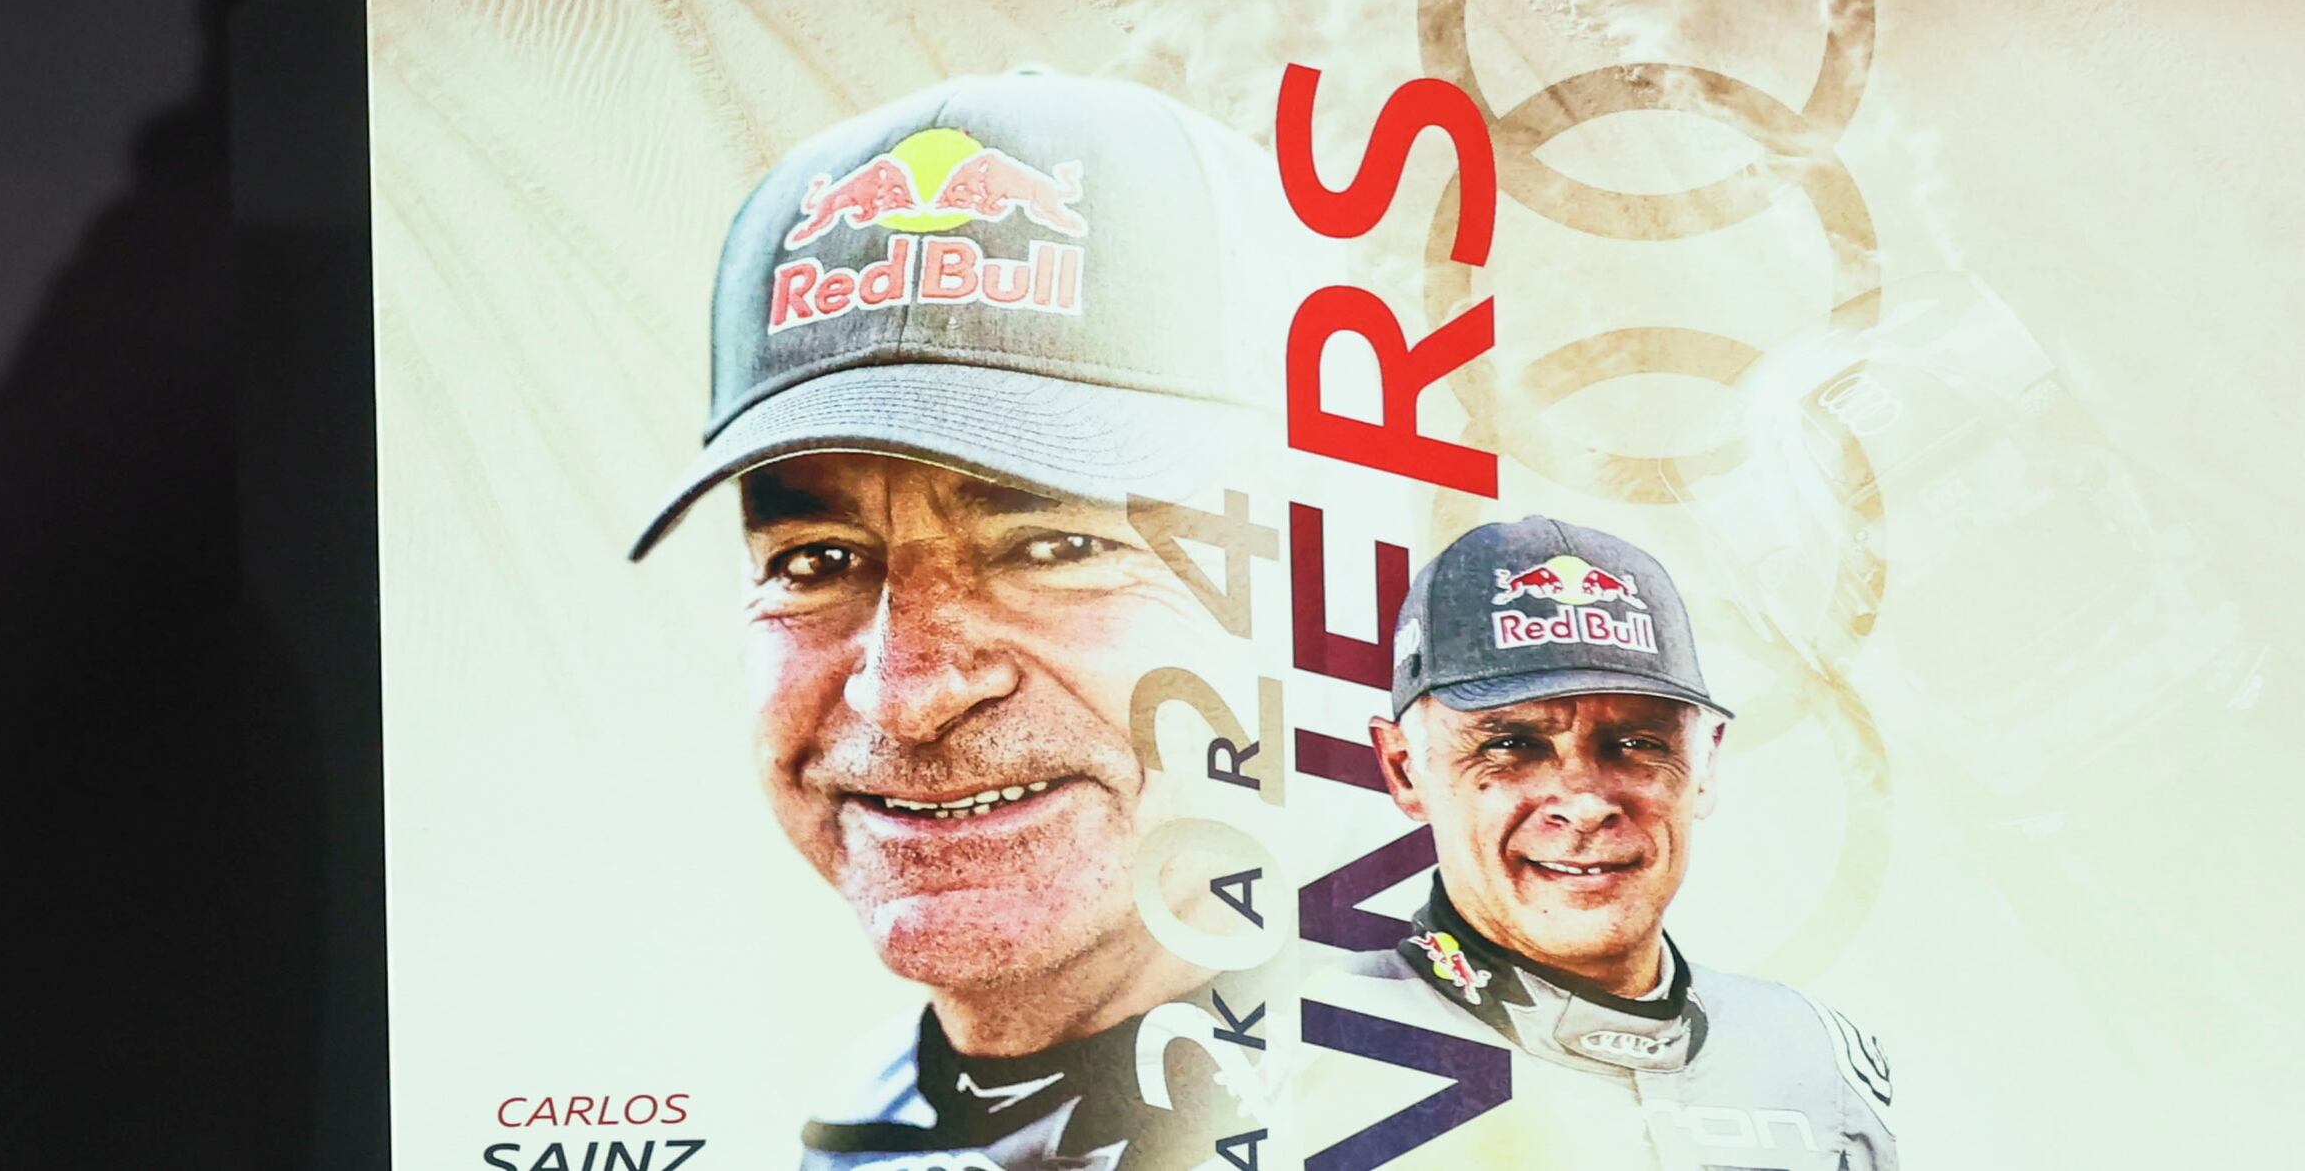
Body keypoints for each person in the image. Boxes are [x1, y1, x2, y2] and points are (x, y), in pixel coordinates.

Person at [632, 71, 1281, 1170]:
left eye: (1057, 548)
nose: (905, 689)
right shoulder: (839, 1121)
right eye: (816, 560)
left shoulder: (1480, 1124)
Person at [1310, 518, 1894, 1170]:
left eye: (1639, 742)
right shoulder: (1290, 1056)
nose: (1586, 802)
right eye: (1512, 744)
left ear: (1704, 766)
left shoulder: (1815, 1054)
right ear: (1403, 767)